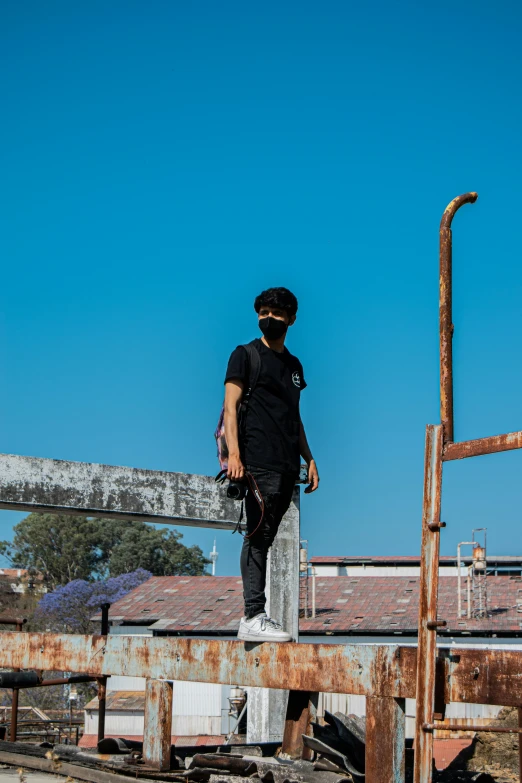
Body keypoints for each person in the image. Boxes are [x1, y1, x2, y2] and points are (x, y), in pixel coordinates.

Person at [224, 287, 319, 642]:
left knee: (270, 536)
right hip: (255, 460)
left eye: (277, 314)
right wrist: (235, 455)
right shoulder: (245, 355)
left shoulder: (294, 367)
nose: (270, 319)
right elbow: (230, 406)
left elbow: (295, 416)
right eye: (264, 312)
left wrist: (309, 458)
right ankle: (252, 615)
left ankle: (258, 617)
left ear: (291, 319)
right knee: (258, 536)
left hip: (287, 465)